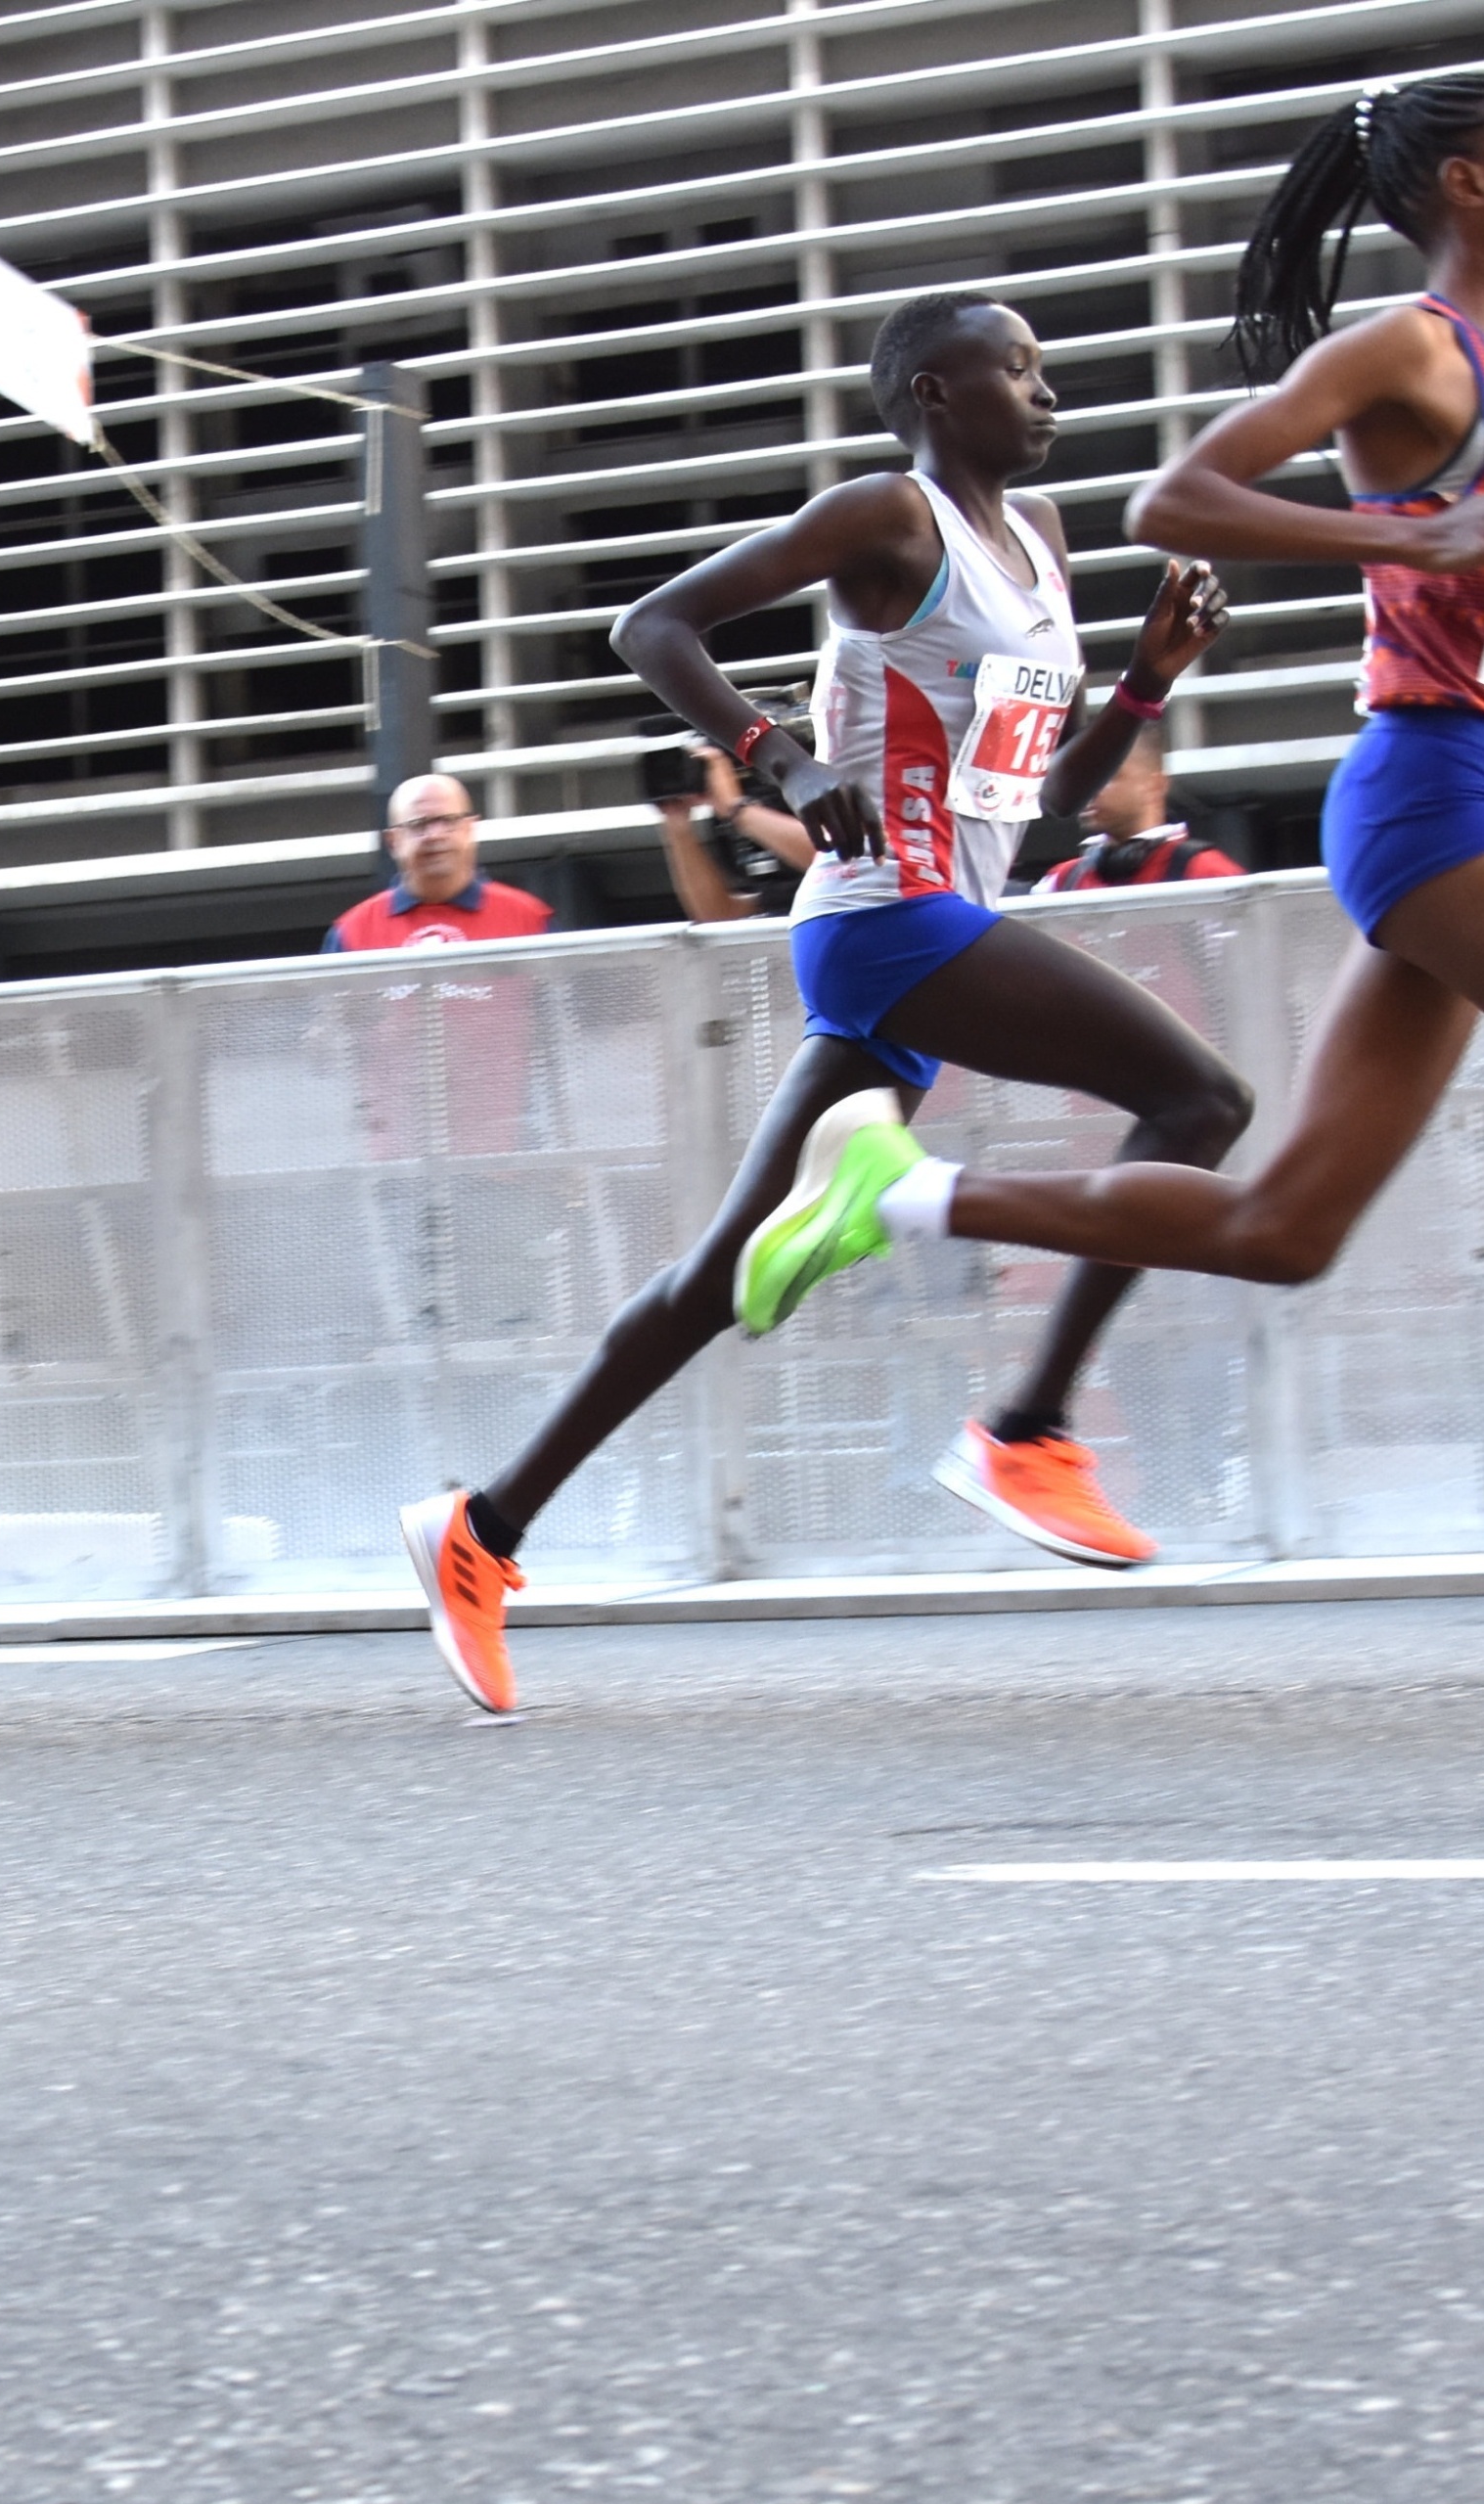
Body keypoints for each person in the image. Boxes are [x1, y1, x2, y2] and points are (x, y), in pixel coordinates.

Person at [399, 289, 1244, 1713]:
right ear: (928, 392)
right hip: (880, 922)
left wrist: (1149, 684)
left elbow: (1026, 815)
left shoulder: (1035, 547)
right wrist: (776, 759)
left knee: (716, 1279)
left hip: (940, 922)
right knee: (1198, 1099)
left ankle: (480, 1527)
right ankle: (1027, 1430)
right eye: (1017, 372)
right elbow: (648, 623)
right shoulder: (887, 520)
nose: (1048, 397)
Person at [737, 79, 1484, 1339]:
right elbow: (1174, 501)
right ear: (1470, 180)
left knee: (1282, 1232)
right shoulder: (1415, 347)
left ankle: (908, 1197)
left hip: (1445, 804)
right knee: (1211, 1121)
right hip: (1436, 788)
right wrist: (1420, 538)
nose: (1042, 392)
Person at [324, 775, 553, 950]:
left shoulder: (529, 920)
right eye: (418, 824)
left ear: (469, 828)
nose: (434, 835)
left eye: (447, 820)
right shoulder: (353, 932)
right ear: (393, 841)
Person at [1022, 724, 1245, 892]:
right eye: (1083, 776)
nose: (1087, 788)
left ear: (1155, 785)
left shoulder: (1211, 875)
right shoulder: (1058, 882)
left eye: (1107, 776)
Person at [654, 741, 817, 922]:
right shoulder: (734, 818)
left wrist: (737, 809)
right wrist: (677, 822)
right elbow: (719, 914)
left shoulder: (821, 772)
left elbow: (841, 859)